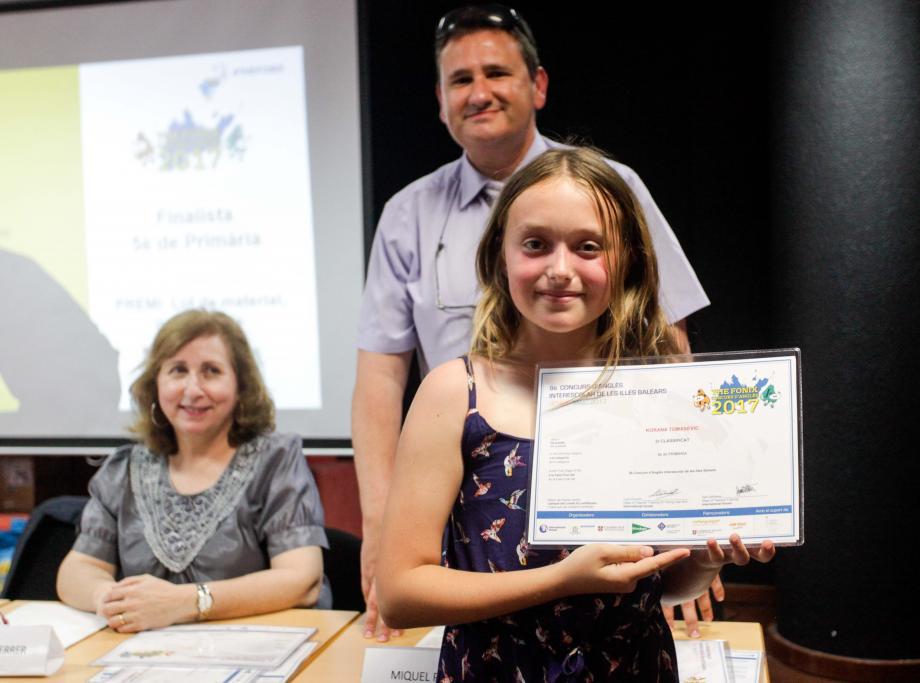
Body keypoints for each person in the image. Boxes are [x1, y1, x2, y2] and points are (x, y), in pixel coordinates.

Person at [354, 4, 715, 641]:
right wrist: (384, 530)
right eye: (460, 80)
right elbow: (381, 380)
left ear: (538, 85)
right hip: (470, 495)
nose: (480, 92)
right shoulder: (407, 214)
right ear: (439, 100)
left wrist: (690, 509)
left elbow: (671, 343)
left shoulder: (613, 187)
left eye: (497, 72)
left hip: (607, 466)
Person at [376, 147, 774, 681]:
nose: (560, 270)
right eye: (536, 245)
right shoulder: (455, 393)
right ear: (500, 254)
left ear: (627, 260)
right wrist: (562, 580)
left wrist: (708, 558)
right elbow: (401, 594)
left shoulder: (658, 394)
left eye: (588, 247)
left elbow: (661, 586)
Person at [56, 310, 330, 632]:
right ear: (155, 383)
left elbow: (302, 579)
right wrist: (108, 597)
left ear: (241, 386)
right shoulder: (125, 468)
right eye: (177, 371)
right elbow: (77, 569)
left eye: (211, 371)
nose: (192, 389)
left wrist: (187, 603)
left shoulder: (277, 461)